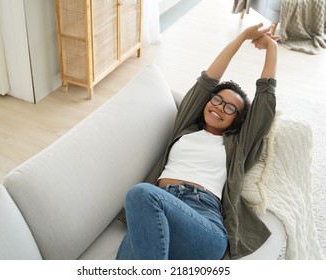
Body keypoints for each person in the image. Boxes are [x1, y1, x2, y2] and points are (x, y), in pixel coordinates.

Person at [116, 23, 278, 260]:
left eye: (230, 107)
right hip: (159, 209)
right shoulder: (185, 128)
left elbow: (265, 103)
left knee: (140, 194)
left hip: (203, 223)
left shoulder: (237, 145)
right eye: (217, 100)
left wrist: (271, 47)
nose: (219, 107)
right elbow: (208, 80)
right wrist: (242, 36)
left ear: (238, 120)